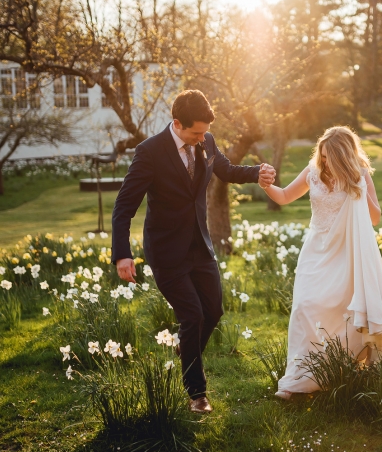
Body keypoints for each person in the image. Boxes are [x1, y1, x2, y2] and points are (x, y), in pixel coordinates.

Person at [111, 89, 276, 413]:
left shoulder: (207, 140)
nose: (203, 138)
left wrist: (256, 172)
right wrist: (122, 254)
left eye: (205, 132)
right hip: (166, 251)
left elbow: (225, 170)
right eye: (196, 132)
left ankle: (185, 351)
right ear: (177, 123)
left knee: (213, 311)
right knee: (192, 315)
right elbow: (124, 206)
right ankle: (196, 393)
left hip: (200, 246)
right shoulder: (150, 152)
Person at [260, 126, 382, 400]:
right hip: (316, 250)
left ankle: (344, 370)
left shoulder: (359, 174)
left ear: (343, 156)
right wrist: (265, 185)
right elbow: (286, 196)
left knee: (343, 310)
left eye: (329, 157)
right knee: (304, 306)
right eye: (322, 156)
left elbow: (375, 217)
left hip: (347, 251)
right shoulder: (313, 172)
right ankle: (297, 379)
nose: (324, 162)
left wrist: (359, 186)